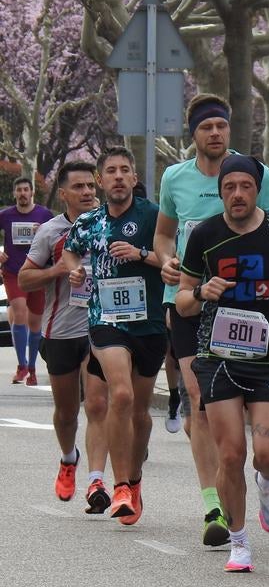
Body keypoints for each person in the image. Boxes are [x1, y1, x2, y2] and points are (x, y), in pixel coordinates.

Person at [154, 93, 269, 546]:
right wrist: (168, 262)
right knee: (199, 399)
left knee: (246, 404)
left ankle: (260, 476)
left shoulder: (254, 172)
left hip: (250, 303)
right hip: (191, 300)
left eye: (221, 127)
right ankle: (213, 500)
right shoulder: (175, 176)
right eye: (206, 127)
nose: (215, 134)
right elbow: (164, 235)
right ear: (193, 134)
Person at [176, 154, 269, 573]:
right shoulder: (204, 234)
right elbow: (182, 301)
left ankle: (267, 483)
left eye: (246, 186)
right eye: (229, 187)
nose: (237, 194)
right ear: (220, 191)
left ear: (258, 189)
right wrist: (202, 292)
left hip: (268, 355)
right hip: (216, 357)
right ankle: (239, 542)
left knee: (268, 454)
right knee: (231, 454)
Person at [62, 147, 167, 526]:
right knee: (118, 394)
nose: (119, 176)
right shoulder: (89, 221)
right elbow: (71, 254)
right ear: (101, 180)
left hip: (151, 324)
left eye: (125, 170)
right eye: (111, 171)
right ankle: (118, 485)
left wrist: (142, 253)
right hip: (105, 320)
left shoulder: (155, 216)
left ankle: (134, 481)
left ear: (135, 179)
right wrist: (75, 272)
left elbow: (174, 261)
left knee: (139, 413)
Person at [18, 161, 109, 509]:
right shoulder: (50, 232)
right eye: (79, 187)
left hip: (100, 329)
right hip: (60, 332)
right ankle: (69, 458)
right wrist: (57, 269)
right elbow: (25, 279)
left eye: (91, 185)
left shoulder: (109, 224)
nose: (87, 192)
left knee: (98, 404)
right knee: (67, 412)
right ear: (64, 193)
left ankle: (96, 481)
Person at [0, 176, 53, 384]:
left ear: (32, 193)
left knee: (35, 323)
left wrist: (42, 233)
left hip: (36, 273)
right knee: (19, 312)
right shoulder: (6, 215)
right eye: (19, 190)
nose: (22, 193)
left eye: (25, 190)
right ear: (14, 194)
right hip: (13, 273)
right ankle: (21, 366)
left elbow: (56, 237)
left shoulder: (44, 214)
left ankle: (31, 368)